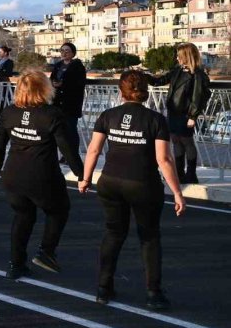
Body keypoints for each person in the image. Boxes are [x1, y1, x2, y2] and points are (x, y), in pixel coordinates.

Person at [79, 70, 185, 310]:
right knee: (149, 237)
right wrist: (177, 192)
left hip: (110, 181)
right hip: (143, 184)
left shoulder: (108, 115)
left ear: (120, 91)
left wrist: (85, 179)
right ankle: (153, 293)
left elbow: (94, 150)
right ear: (145, 92)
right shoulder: (155, 119)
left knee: (113, 233)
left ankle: (103, 288)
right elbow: (164, 160)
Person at [0, 70, 84, 279]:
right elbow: (67, 148)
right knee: (59, 210)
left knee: (23, 215)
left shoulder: (9, 112)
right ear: (44, 89)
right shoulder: (52, 114)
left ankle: (16, 264)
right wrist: (81, 175)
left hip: (13, 174)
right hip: (42, 174)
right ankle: (46, 251)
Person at [147, 43, 210, 184]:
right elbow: (159, 81)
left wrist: (193, 116)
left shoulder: (198, 74)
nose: (177, 57)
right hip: (173, 112)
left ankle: (191, 174)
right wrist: (144, 76)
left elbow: (199, 97)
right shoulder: (177, 70)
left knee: (187, 142)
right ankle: (179, 173)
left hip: (186, 114)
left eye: (179, 55)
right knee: (176, 141)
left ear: (186, 56)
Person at [50, 42, 86, 159]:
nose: (64, 53)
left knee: (70, 130)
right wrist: (54, 84)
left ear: (73, 53)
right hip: (57, 103)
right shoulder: (58, 65)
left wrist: (63, 84)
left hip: (71, 103)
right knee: (58, 130)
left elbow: (79, 83)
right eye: (62, 51)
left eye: (67, 51)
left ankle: (72, 156)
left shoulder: (78, 66)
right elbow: (52, 78)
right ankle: (62, 154)